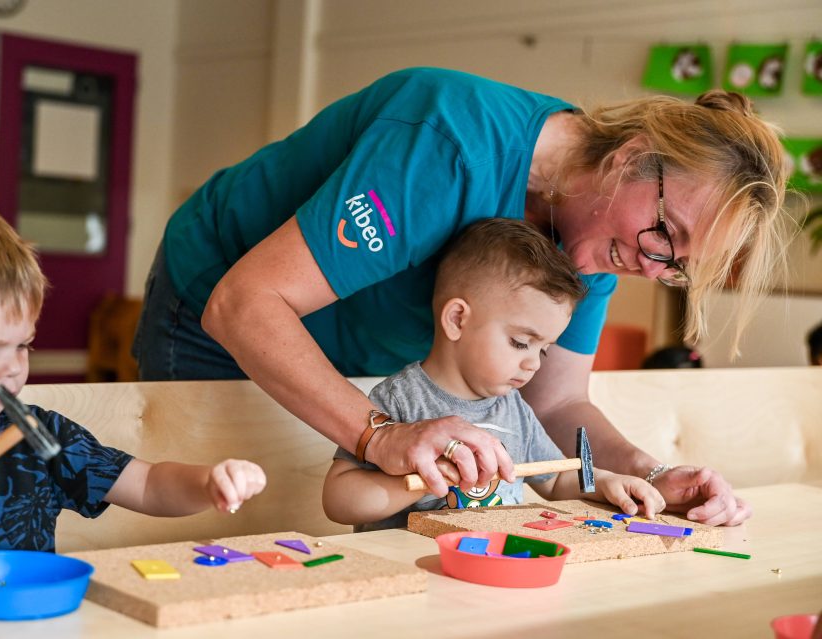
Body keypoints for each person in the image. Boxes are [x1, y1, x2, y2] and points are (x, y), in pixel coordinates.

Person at [134, 66, 790, 527]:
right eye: (663, 233)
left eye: (677, 264)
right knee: (214, 520)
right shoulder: (447, 145)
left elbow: (556, 400)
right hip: (219, 301)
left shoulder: (599, 237)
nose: (652, 264)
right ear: (632, 156)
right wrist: (378, 432)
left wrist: (652, 473)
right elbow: (245, 303)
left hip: (355, 357)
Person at [0, 174, 266, 587]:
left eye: (23, 346)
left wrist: (208, 482)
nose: (12, 369)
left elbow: (147, 485)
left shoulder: (40, 433)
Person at [322, 219, 666, 530]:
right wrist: (420, 480)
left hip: (495, 573)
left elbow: (557, 482)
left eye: (543, 349)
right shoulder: (400, 400)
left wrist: (605, 482)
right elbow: (339, 500)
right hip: (415, 576)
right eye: (520, 343)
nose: (534, 364)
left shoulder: (514, 409)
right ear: (457, 319)